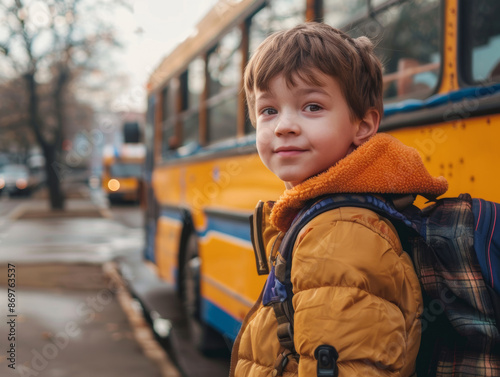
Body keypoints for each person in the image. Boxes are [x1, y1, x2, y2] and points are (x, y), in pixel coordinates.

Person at [229, 23, 449, 377]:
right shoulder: (324, 216)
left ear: (363, 125)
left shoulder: (341, 234)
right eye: (268, 110)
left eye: (312, 106)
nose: (284, 125)